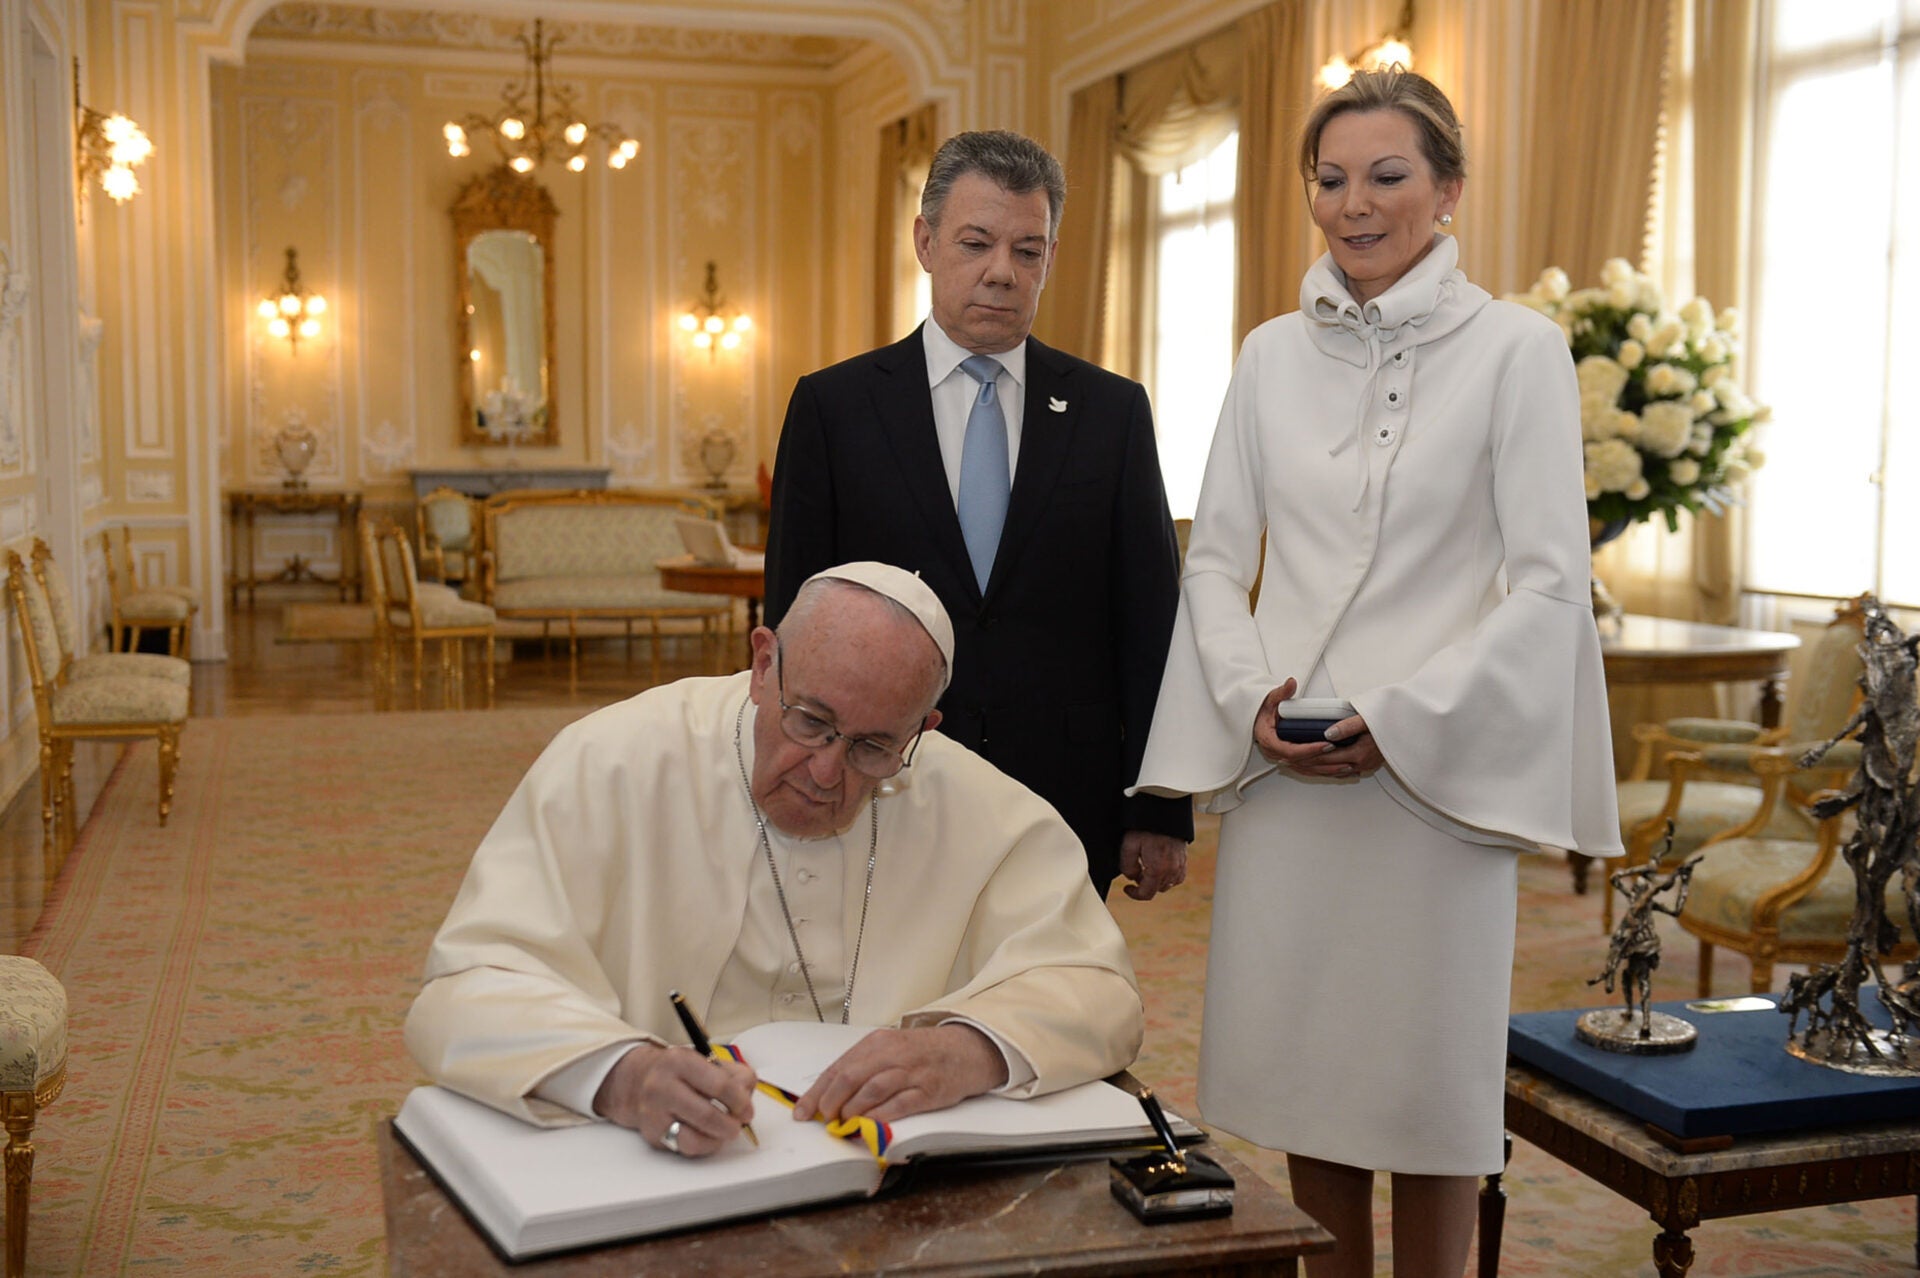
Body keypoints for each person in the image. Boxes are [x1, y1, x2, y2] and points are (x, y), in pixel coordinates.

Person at [1130, 70, 1621, 1277]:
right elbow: (1215, 562)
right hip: (1290, 773)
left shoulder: (1520, 352)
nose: (1356, 204)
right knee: (1312, 1084)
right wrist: (1251, 698)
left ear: (1448, 189)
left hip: (1439, 782)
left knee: (1432, 1091)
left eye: (1388, 176)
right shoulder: (1265, 356)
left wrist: (1401, 718)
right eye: (1332, 179)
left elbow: (1552, 583)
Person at [405, 562, 1145, 1158]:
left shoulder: (986, 811)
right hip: (651, 1171)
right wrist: (623, 1077)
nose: (827, 773)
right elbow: (466, 989)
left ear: (924, 729)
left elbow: (1098, 991)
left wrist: (964, 1052)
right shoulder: (612, 763)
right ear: (762, 665)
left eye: (872, 747)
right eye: (810, 720)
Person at [762, 129, 1190, 902]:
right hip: (881, 781)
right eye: (976, 243)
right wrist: (787, 766)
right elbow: (792, 617)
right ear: (926, 243)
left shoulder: (1111, 412)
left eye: (1028, 251)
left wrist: (1159, 807)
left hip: (1065, 797)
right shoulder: (835, 408)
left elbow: (1152, 622)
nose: (1001, 272)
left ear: (1051, 260)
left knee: (1045, 1009)